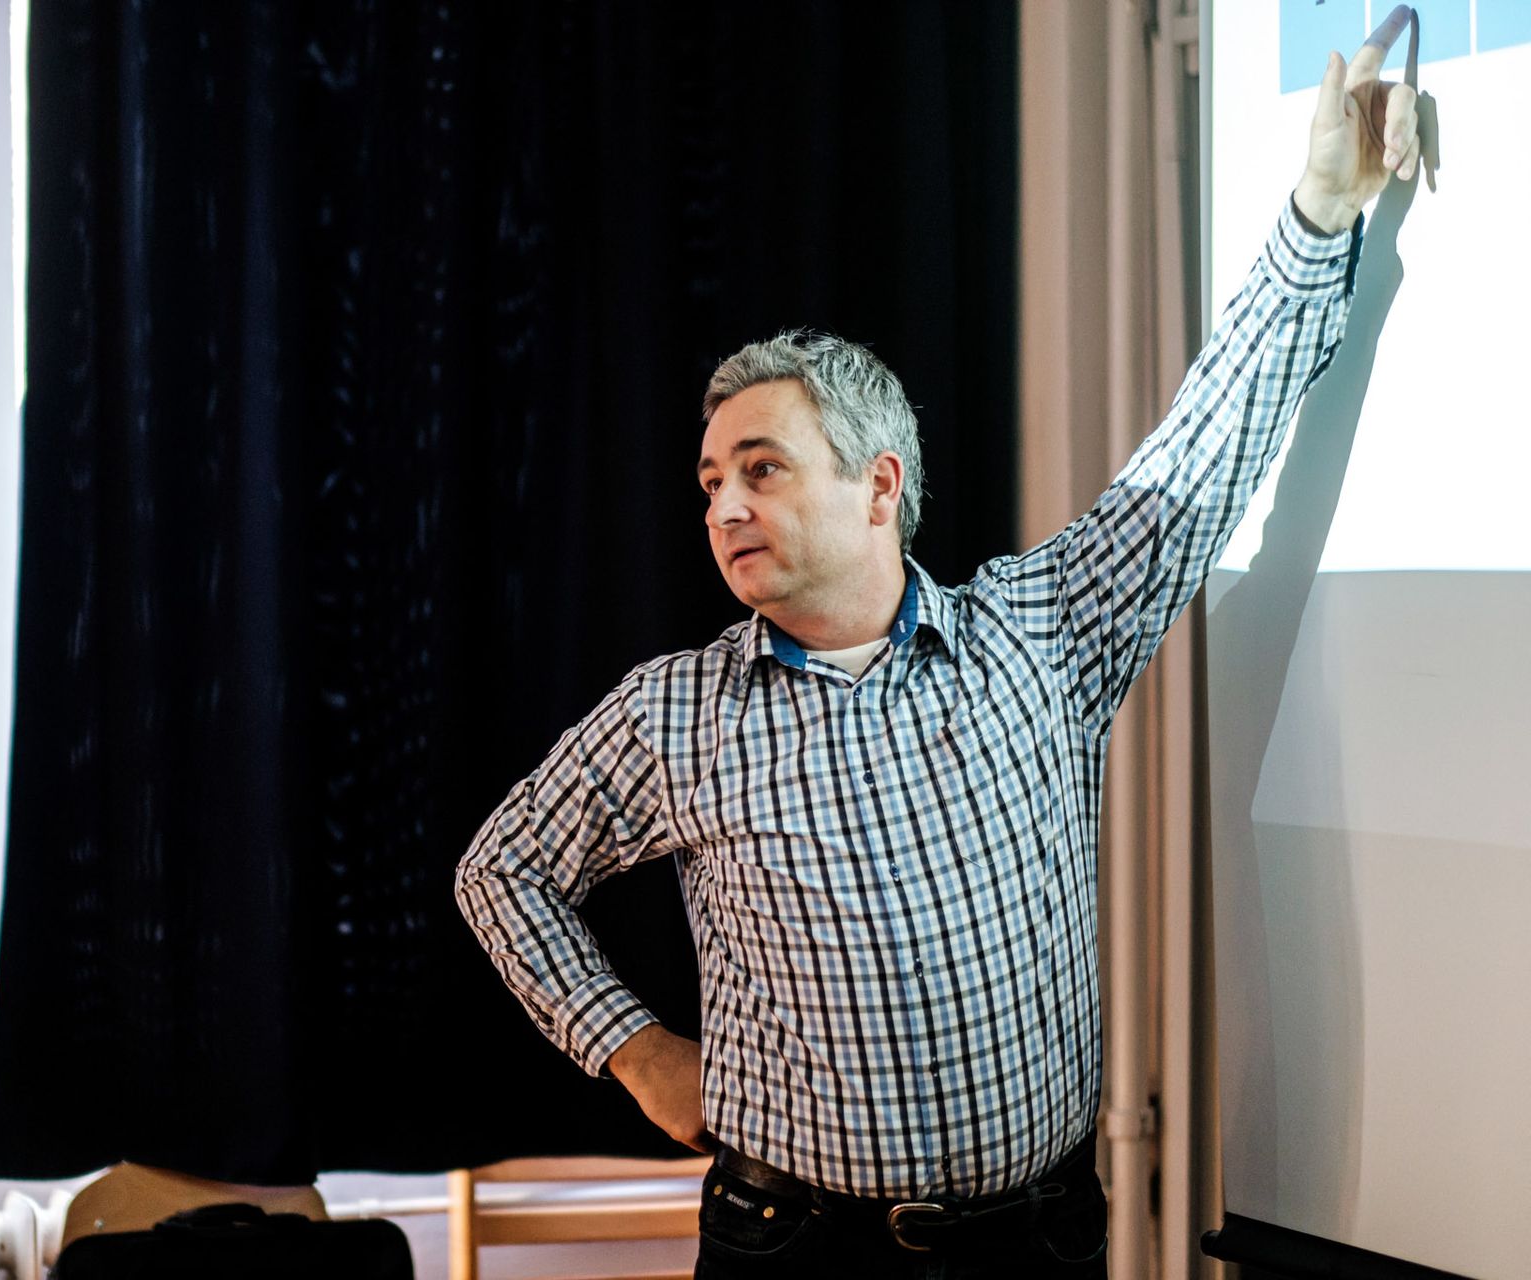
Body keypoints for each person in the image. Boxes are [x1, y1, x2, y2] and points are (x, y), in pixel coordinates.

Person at [455, 15, 1421, 1277]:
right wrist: (636, 1051)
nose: (723, 505)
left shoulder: (1040, 628)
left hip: (1035, 1241)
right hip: (797, 1247)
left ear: (878, 483)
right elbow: (503, 870)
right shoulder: (675, 711)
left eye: (761, 468)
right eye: (709, 482)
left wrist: (1320, 212)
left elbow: (1206, 443)